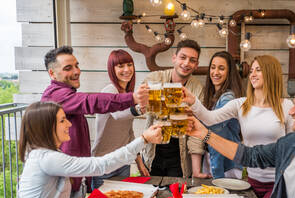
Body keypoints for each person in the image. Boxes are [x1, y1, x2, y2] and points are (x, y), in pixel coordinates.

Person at [0, 101, 162, 198]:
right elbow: (101, 165)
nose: (69, 124)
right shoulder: (47, 159)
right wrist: (143, 139)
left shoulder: (45, 155)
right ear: (46, 127)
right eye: (63, 120)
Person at [41, 46, 149, 198]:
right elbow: (92, 102)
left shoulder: (67, 95)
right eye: (68, 68)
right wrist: (134, 99)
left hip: (76, 178)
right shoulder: (56, 95)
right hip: (64, 181)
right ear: (52, 74)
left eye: (77, 65)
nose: (77, 71)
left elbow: (127, 129)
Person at [183, 55, 293, 198]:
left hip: (279, 182)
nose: (252, 74)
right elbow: (209, 118)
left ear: (271, 73)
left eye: (258, 70)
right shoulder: (241, 104)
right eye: (252, 70)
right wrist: (193, 101)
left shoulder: (286, 106)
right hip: (250, 182)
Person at [142, 39, 206, 178]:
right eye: (183, 57)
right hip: (153, 152)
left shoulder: (197, 88)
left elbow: (196, 130)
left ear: (196, 65)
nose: (186, 63)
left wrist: (196, 170)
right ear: (174, 58)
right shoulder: (154, 79)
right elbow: (142, 109)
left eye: (192, 60)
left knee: (178, 196)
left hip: (180, 157)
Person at [91, 49, 149, 190]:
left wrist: (140, 163)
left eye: (129, 65)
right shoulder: (109, 91)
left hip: (123, 162)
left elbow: (129, 134)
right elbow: (118, 114)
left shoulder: (129, 94)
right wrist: (140, 108)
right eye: (120, 66)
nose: (126, 70)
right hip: (103, 163)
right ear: (112, 69)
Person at [198, 51, 244, 178]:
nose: (215, 72)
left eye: (221, 68)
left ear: (229, 73)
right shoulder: (214, 96)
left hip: (226, 165)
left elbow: (215, 127)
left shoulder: (228, 98)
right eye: (213, 67)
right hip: (214, 160)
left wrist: (191, 113)